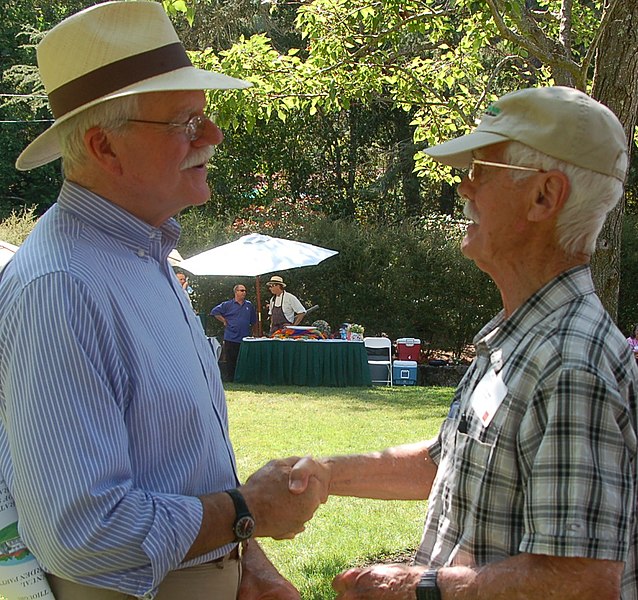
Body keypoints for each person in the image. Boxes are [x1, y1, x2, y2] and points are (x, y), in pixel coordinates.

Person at [0, 3, 326, 599]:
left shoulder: (140, 255)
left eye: (204, 116)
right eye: (184, 123)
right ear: (104, 147)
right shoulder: (62, 286)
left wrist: (247, 562)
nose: (213, 136)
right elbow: (84, 533)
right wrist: (247, 510)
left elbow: (178, 460)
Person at [291, 87, 638, 600]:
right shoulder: (524, 335)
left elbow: (578, 583)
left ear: (545, 196)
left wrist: (410, 587)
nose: (464, 186)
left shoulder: (569, 364)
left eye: (483, 169)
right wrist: (325, 474)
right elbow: (451, 463)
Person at [211, 284, 258, 381]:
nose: (244, 292)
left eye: (245, 290)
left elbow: (253, 321)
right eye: (241, 290)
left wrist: (254, 333)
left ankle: (243, 378)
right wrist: (224, 320)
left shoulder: (249, 305)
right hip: (231, 336)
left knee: (243, 359)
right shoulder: (227, 305)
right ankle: (230, 378)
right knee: (230, 359)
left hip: (244, 337)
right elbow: (214, 312)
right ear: (236, 292)